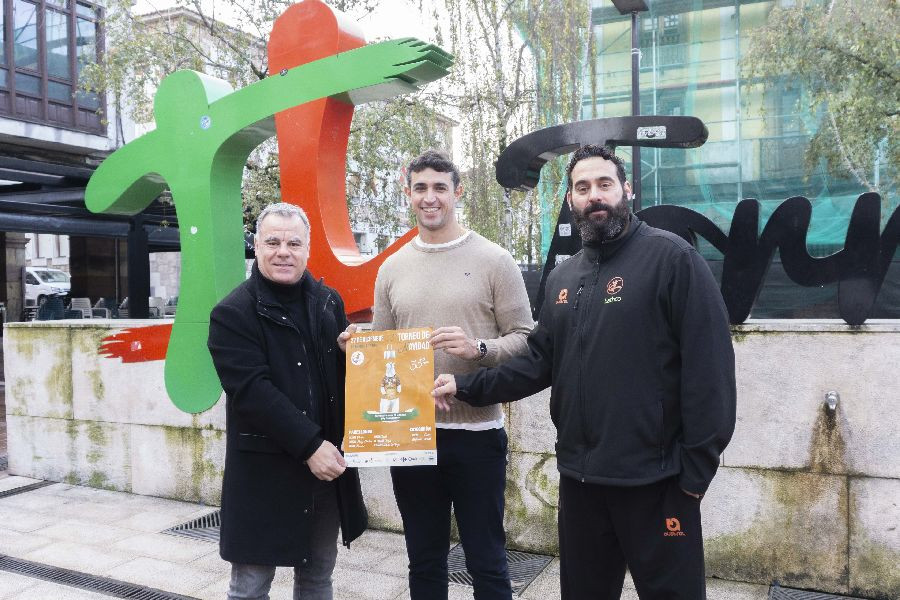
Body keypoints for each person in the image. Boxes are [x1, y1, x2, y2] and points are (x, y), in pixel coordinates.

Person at [433, 144, 737, 600]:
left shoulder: (673, 260)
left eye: (604, 184)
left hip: (656, 484)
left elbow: (710, 372)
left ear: (626, 190)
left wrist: (694, 476)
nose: (594, 195)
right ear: (571, 200)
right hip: (581, 483)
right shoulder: (563, 278)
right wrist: (464, 386)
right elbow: (535, 363)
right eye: (582, 187)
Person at [372, 149, 534, 599]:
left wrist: (478, 348)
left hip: (476, 434)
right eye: (420, 188)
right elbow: (383, 348)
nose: (430, 197)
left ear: (457, 192)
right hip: (410, 436)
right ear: (408, 193)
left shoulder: (495, 260)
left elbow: (526, 339)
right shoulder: (391, 268)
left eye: (440, 187)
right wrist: (357, 347)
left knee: (487, 561)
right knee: (424, 561)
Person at [207, 202, 367, 600]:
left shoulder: (328, 302)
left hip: (324, 471)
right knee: (250, 588)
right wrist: (311, 445)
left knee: (317, 579)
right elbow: (253, 393)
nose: (283, 252)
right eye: (273, 242)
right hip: (265, 474)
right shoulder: (232, 313)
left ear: (307, 248)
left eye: (293, 243)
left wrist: (352, 357)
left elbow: (341, 384)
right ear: (256, 245)